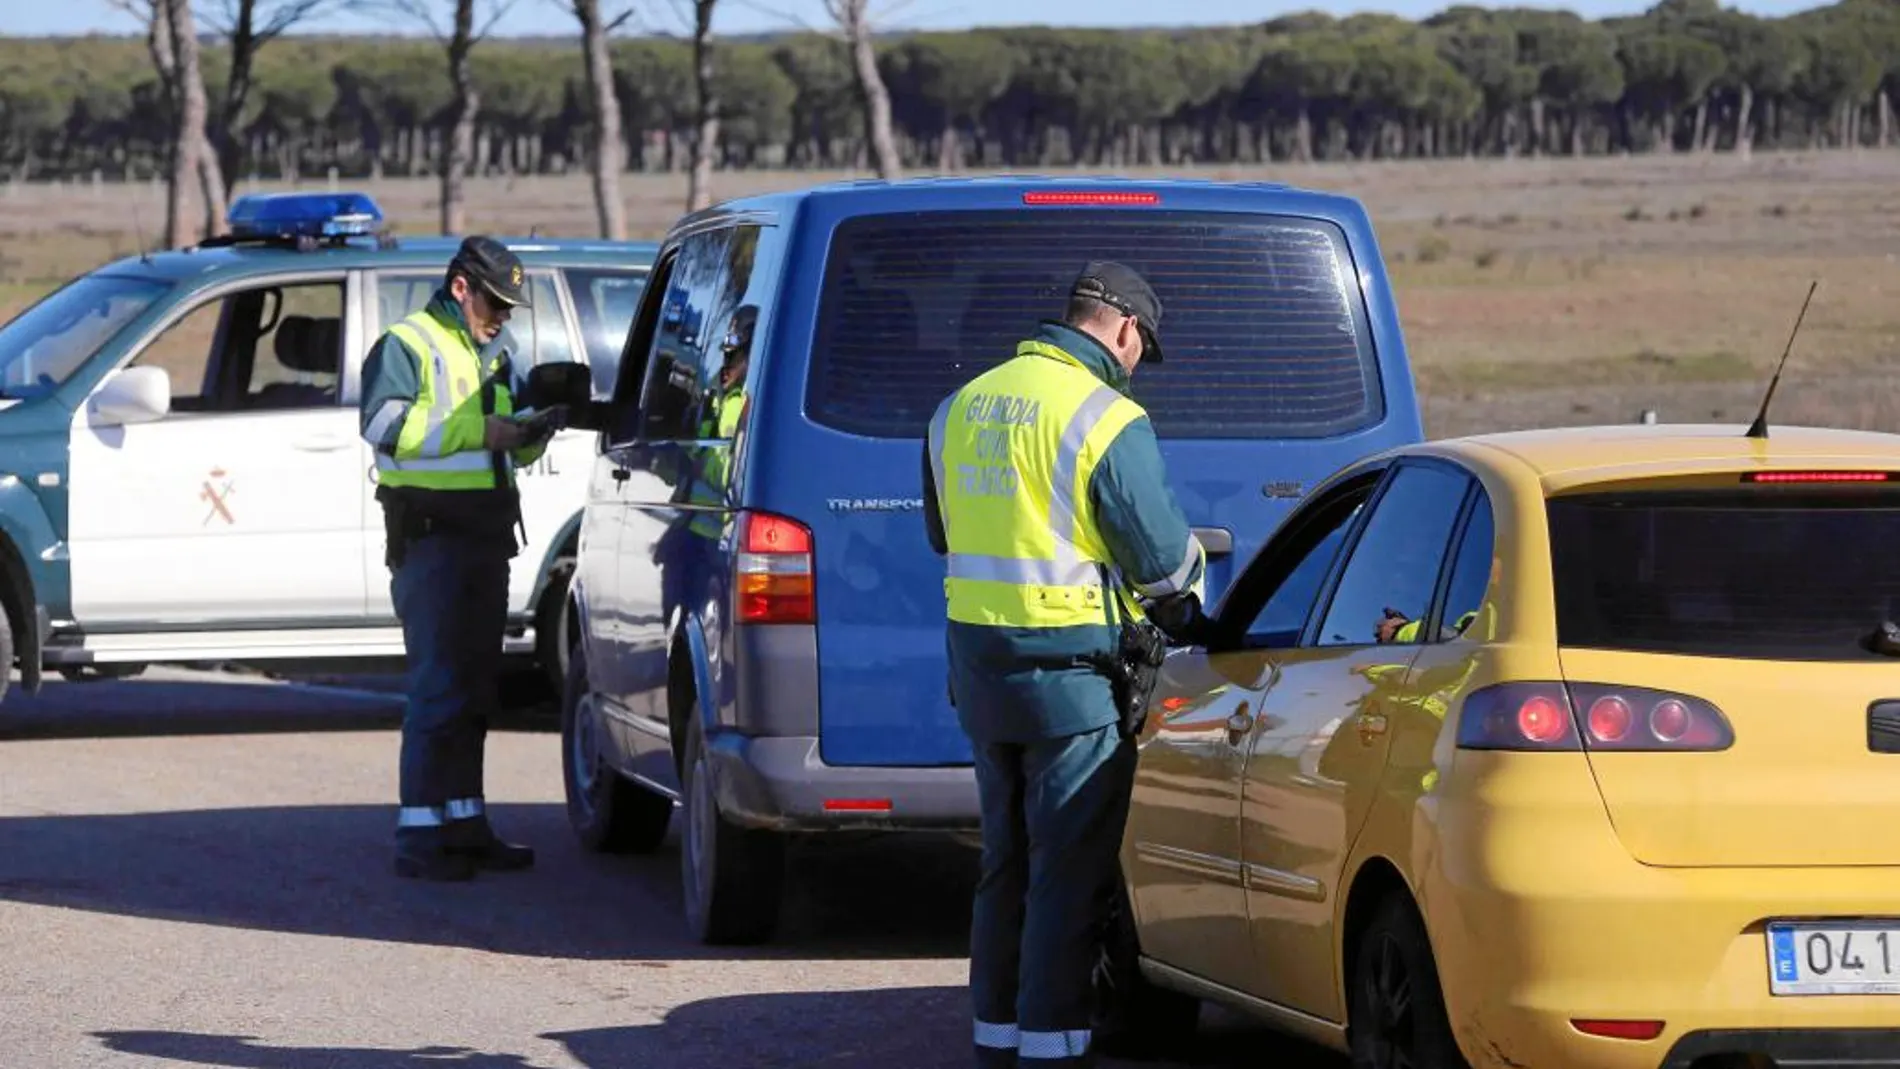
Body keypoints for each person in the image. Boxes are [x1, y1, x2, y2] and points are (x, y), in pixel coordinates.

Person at [922, 261, 1214, 1068]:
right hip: (1074, 683)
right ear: (1122, 328)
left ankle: (996, 1040)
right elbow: (1161, 565)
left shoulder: (959, 407)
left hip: (982, 677)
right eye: (1138, 349)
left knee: (1003, 864)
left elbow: (947, 537)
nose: (1134, 366)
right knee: (1068, 872)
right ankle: (1053, 1049)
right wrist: (1193, 587)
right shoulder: (1104, 418)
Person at [358, 235, 563, 882]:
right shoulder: (408, 343)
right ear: (460, 288)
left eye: (509, 306)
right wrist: (485, 429)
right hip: (430, 538)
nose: (502, 315)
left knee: (475, 689)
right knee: (437, 687)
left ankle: (466, 823)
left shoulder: (496, 352)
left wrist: (535, 430)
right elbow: (382, 426)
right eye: (494, 302)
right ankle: (419, 833)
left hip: (484, 536)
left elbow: (504, 451)